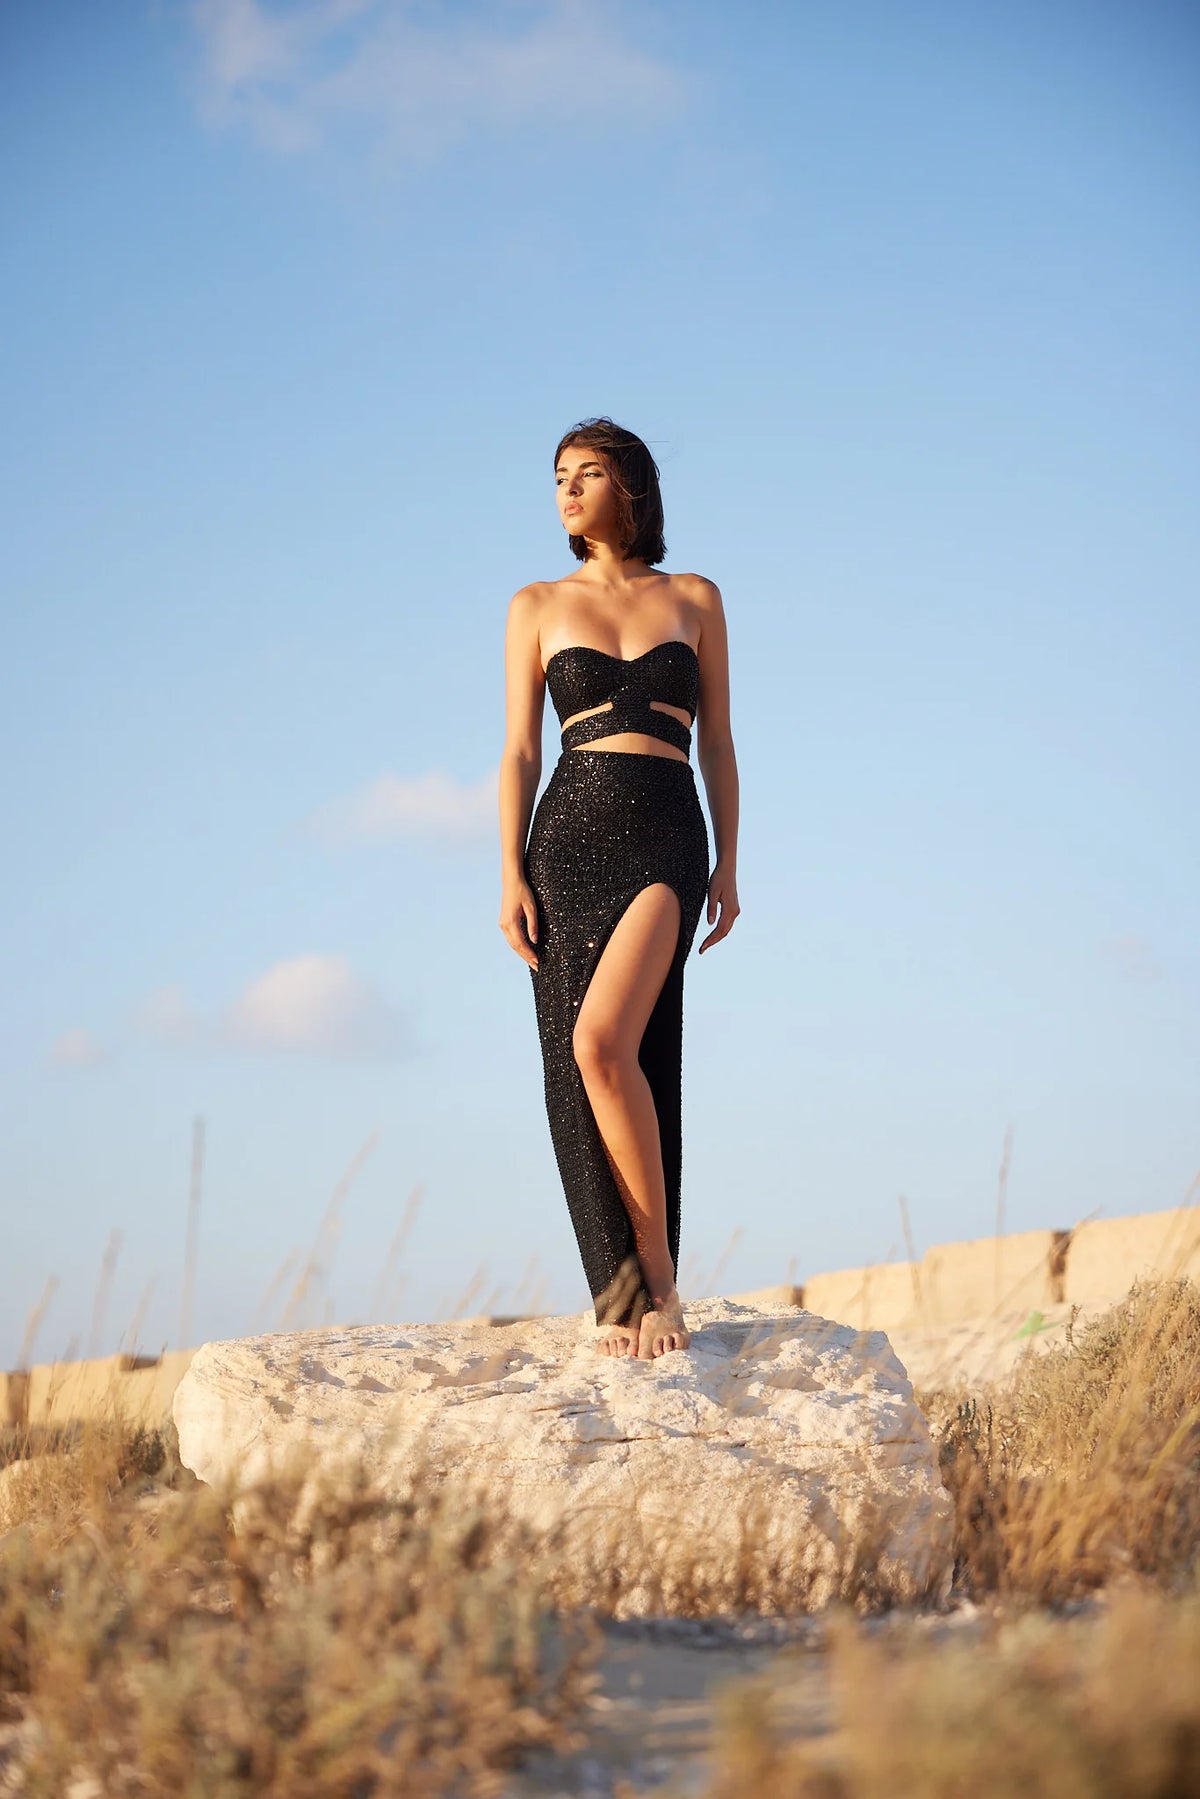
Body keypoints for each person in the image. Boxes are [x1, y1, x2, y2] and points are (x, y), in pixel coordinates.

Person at [498, 417, 740, 1361]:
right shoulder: (534, 604)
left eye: (587, 472)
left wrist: (728, 856)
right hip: (566, 838)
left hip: (667, 830)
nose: (567, 489)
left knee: (608, 1043)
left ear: (630, 487)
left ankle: (663, 1281)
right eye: (558, 475)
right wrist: (510, 867)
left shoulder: (695, 596)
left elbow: (717, 738)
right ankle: (621, 1288)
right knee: (578, 1067)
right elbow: (520, 748)